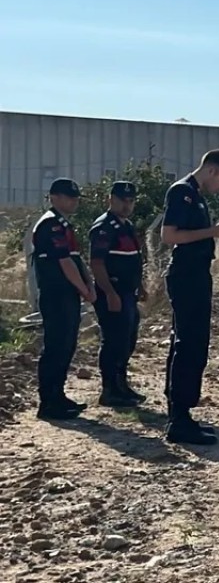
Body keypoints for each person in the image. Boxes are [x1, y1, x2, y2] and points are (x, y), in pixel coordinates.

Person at [161, 148, 219, 445]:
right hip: (186, 274)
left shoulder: (196, 195)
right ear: (211, 170)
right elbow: (169, 236)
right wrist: (212, 231)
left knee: (190, 342)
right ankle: (179, 417)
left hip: (196, 274)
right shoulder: (182, 192)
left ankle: (179, 411)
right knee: (189, 343)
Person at [31, 178, 95, 420]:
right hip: (56, 294)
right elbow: (64, 263)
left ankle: (58, 395)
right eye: (69, 197)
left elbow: (76, 259)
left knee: (67, 345)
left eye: (76, 197)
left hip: (68, 294)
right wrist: (84, 289)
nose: (74, 201)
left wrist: (88, 284)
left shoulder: (64, 225)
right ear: (54, 197)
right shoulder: (50, 225)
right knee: (56, 346)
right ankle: (48, 401)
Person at [88, 181, 147, 408]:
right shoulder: (104, 227)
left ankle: (121, 385)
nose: (127, 205)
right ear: (110, 199)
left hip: (128, 292)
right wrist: (110, 293)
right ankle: (110, 389)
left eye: (131, 201)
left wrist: (139, 286)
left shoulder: (126, 226)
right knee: (114, 340)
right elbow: (97, 263)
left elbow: (133, 259)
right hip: (112, 292)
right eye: (122, 200)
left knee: (127, 339)